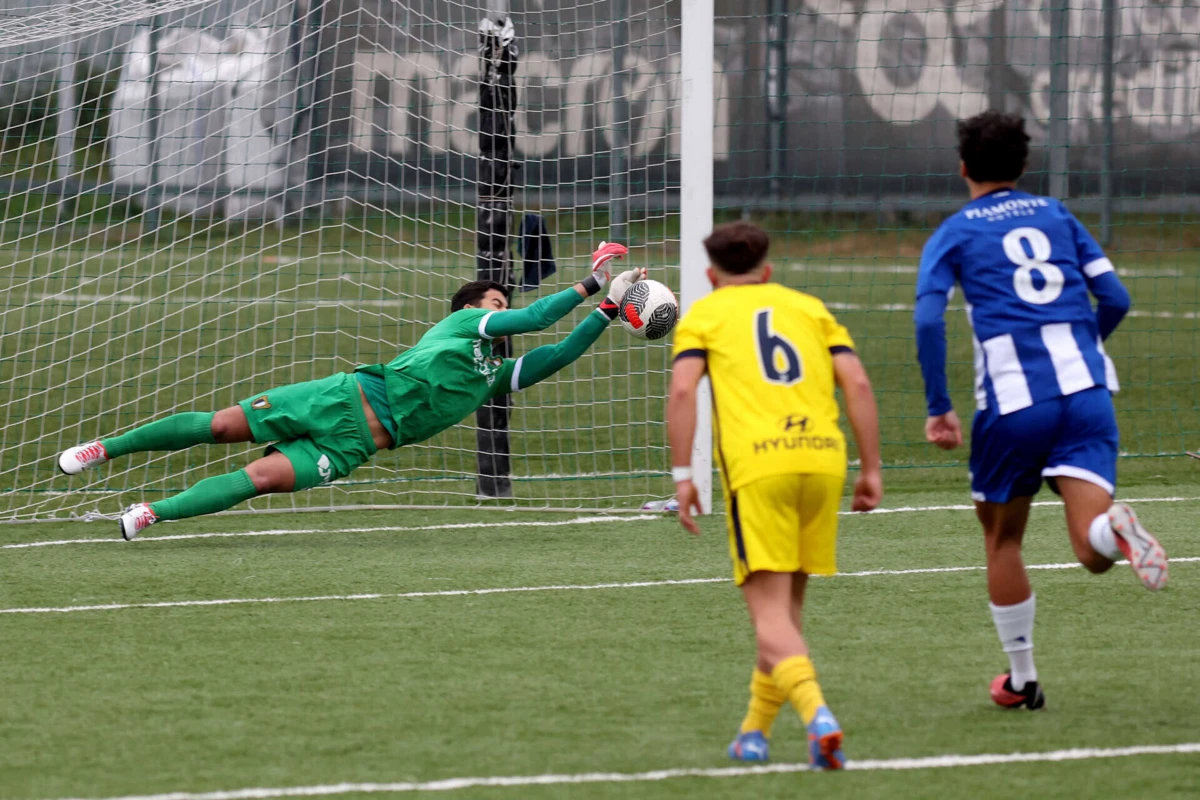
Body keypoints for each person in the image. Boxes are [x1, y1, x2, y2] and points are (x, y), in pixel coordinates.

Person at [58, 243, 644, 540]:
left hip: (355, 444)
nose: (502, 307)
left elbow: (559, 352)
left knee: (260, 481)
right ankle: (102, 450)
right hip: (339, 396)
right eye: (495, 301)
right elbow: (540, 319)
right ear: (471, 308)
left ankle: (152, 514)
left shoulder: (494, 374)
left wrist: (610, 309)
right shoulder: (466, 325)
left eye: (502, 302)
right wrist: (593, 279)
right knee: (219, 427)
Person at [914, 110, 1168, 711]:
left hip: (1014, 403)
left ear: (963, 168)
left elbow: (928, 318)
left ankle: (1023, 678)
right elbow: (1117, 297)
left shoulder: (954, 231)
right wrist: (1086, 345)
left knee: (1003, 541)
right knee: (1090, 548)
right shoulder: (1058, 215)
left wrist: (939, 407)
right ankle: (1116, 529)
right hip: (1086, 395)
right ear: (1024, 166)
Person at [667, 221, 883, 770]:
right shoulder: (809, 307)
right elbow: (856, 383)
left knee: (768, 615)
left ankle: (819, 718)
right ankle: (753, 734)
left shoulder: (705, 315)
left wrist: (681, 474)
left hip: (760, 466)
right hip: (823, 461)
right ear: (767, 270)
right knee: (785, 615)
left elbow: (682, 389)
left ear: (712, 275)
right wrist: (872, 468)